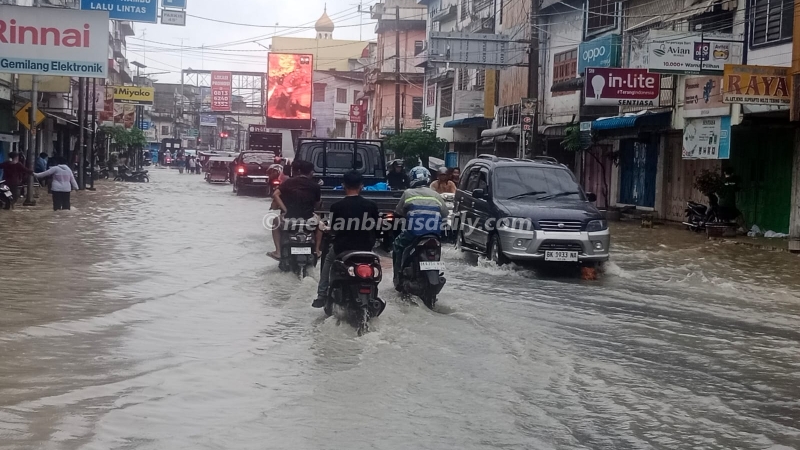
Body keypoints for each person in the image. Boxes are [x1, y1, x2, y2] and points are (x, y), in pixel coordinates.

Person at [313, 170, 380, 308]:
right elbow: (377, 229)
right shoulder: (371, 205)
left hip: (342, 248)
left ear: (344, 185)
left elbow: (334, 230)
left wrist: (327, 230)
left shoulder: (337, 206)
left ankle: (322, 294)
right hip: (366, 248)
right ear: (361, 186)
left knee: (328, 260)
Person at [392, 168, 449, 288]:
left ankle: (397, 279)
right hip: (434, 235)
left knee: (397, 245)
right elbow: (445, 213)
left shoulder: (408, 193)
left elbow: (398, 212)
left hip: (414, 234)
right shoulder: (436, 195)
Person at [268, 159, 322, 260]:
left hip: (289, 218)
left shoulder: (288, 182)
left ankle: (278, 252)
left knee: (275, 222)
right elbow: (317, 204)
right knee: (321, 225)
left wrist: (285, 209)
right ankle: (317, 250)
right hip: (308, 218)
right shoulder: (315, 186)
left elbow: (275, 195)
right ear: (311, 172)